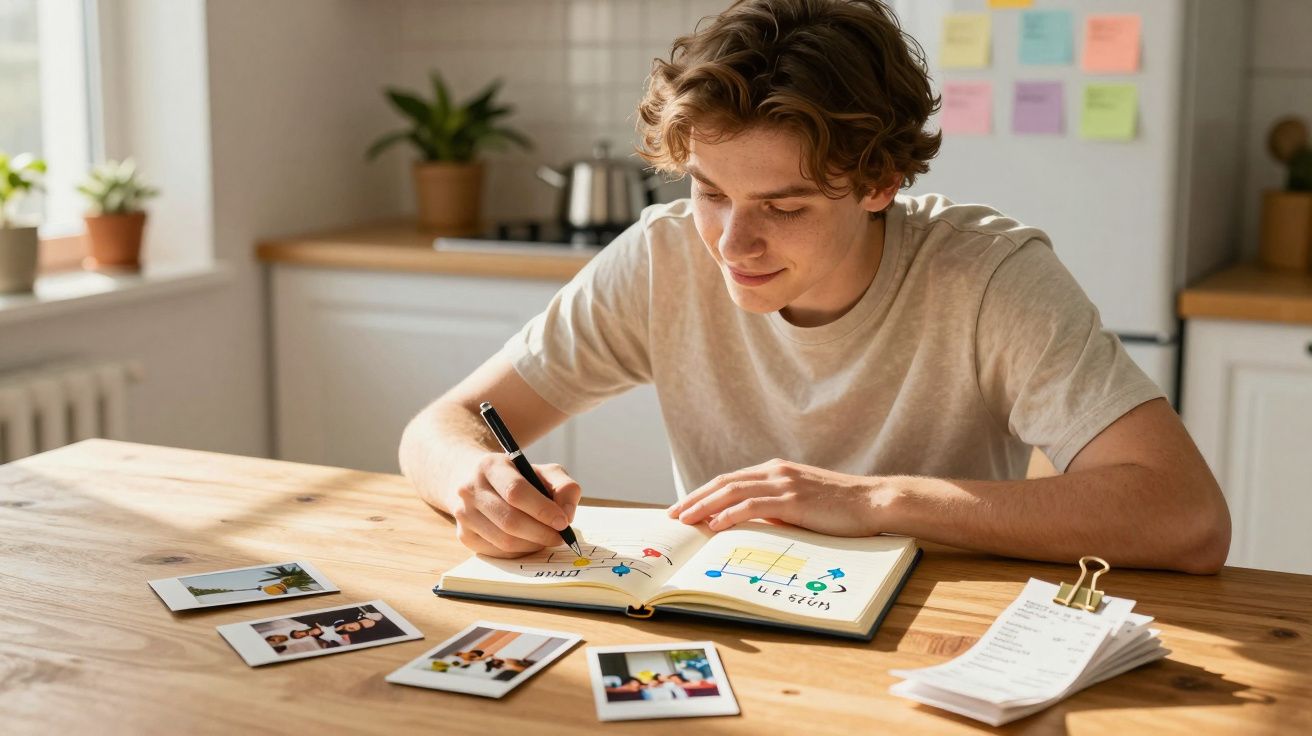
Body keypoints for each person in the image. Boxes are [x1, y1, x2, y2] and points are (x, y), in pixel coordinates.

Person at [398, 0, 1230, 573]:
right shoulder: (660, 257)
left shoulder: (988, 276)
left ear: (880, 183)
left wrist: (876, 501)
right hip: (728, 630)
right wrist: (478, 483)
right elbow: (442, 425)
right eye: (711, 192)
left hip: (939, 643)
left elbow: (1186, 517)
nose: (731, 241)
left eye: (783, 206)